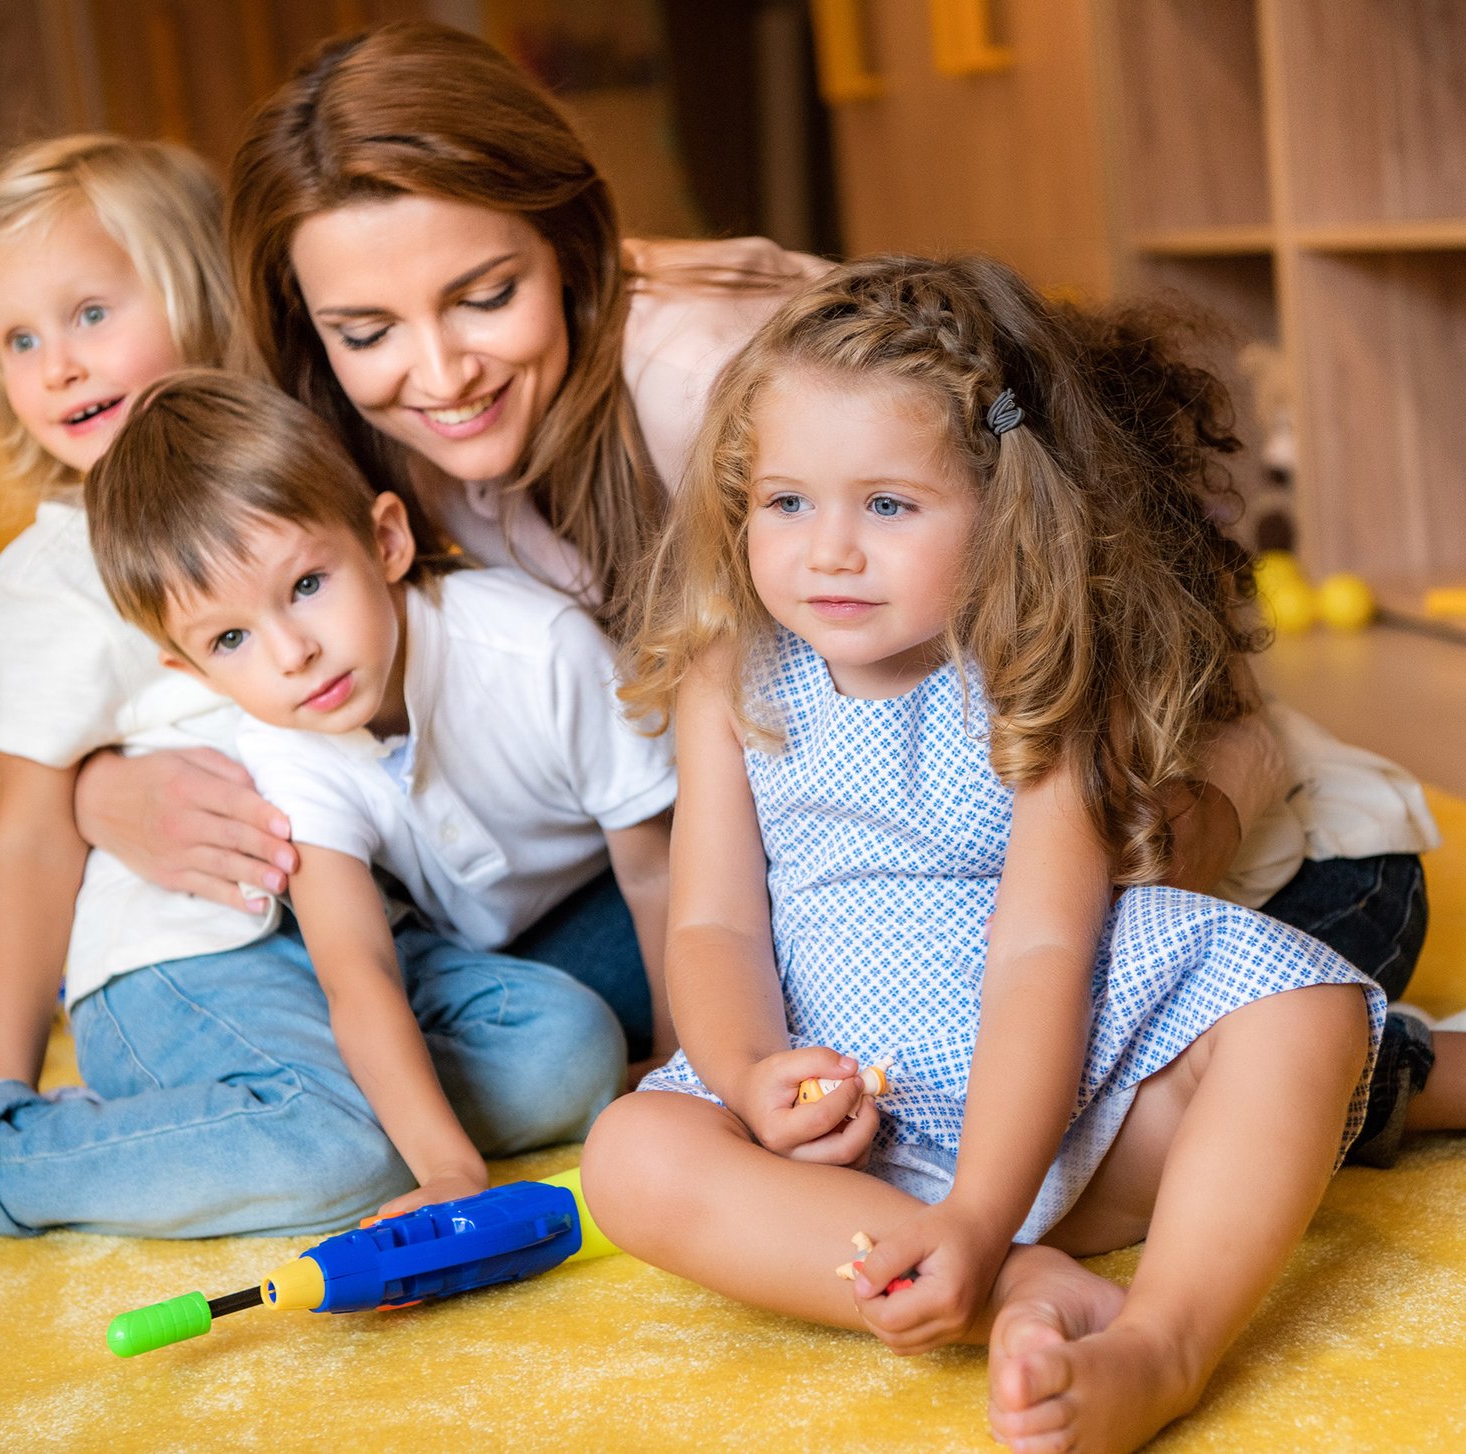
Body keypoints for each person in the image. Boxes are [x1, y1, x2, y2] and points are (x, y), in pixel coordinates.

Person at [75, 19, 1437, 1128]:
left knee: (1037, 1112)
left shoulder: (711, 384)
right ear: (309, 329)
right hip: (830, 873)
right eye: (367, 328)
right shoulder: (356, 435)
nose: (438, 373)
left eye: (486, 296)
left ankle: (1394, 1078)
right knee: (574, 1027)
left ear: (571, 245)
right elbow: (190, 605)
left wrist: (1163, 850)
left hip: (1185, 846)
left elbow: (1150, 666)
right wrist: (97, 784)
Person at [580, 255, 1466, 1454]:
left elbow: (1044, 944)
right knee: (631, 1154)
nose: (828, 550)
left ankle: (1160, 1343)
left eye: (887, 505)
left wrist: (982, 1206)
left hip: (1065, 1099)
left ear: (1003, 507)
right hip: (851, 1135)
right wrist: (747, 1075)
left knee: (1304, 1017)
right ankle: (1014, 1288)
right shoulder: (729, 673)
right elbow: (714, 922)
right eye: (785, 501)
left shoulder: (1038, 674)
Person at [0, 135, 620, 1240]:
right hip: (186, 957)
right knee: (338, 1149)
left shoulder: (294, 468)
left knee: (568, 1049)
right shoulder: (51, 580)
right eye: (19, 339)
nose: (58, 365)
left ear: (202, 296)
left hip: (368, 930)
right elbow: (28, 837)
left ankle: (283, 1120)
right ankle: (1, 1157)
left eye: (90, 314)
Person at [84, 368, 674, 1132]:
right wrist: (447, 1169)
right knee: (552, 1050)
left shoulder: (540, 651)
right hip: (480, 952)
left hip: (615, 897)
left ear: (386, 541)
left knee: (741, 964)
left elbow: (657, 872)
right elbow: (357, 972)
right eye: (230, 639)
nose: (292, 653)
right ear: (194, 672)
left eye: (307, 585)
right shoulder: (285, 745)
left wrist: (681, 1064)